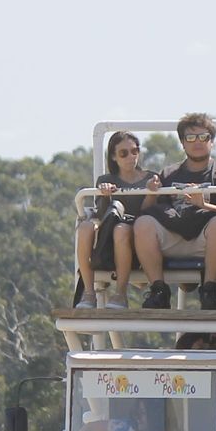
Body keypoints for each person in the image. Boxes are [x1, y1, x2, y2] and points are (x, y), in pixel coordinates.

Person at [133, 113, 216, 311]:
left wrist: (203, 204)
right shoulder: (168, 173)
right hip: (173, 237)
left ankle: (209, 291)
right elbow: (147, 211)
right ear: (182, 143)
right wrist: (152, 192)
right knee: (143, 224)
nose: (197, 142)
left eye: (203, 137)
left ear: (212, 141)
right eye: (191, 138)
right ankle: (159, 291)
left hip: (207, 240)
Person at [75, 131, 160, 309]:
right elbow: (103, 215)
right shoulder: (106, 180)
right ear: (114, 156)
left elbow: (150, 213)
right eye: (124, 153)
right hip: (109, 237)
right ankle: (89, 293)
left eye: (135, 151)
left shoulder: (151, 178)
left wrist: (152, 192)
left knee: (121, 230)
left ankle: (120, 294)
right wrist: (105, 194)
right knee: (84, 228)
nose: (131, 157)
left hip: (138, 238)